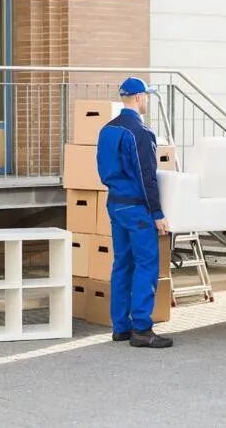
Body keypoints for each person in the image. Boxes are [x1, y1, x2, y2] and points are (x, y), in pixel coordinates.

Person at [96, 77, 172, 348]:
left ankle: (120, 327)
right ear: (139, 97)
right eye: (147, 96)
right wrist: (157, 213)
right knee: (146, 264)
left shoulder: (106, 130)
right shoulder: (140, 132)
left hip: (115, 203)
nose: (147, 100)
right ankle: (141, 328)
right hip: (137, 208)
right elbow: (146, 176)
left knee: (122, 264)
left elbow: (102, 168)